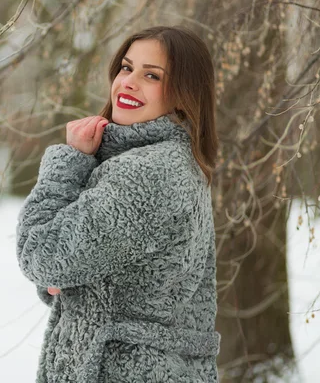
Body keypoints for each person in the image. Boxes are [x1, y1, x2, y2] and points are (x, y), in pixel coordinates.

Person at [16, 25, 221, 382]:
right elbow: (76, 283)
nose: (128, 82)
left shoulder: (146, 174)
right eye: (126, 68)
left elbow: (41, 256)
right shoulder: (176, 163)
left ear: (182, 93)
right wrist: (64, 278)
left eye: (152, 75)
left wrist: (67, 164)